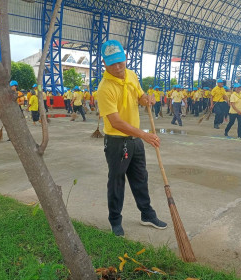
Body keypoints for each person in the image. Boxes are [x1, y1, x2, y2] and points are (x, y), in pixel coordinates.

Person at [97, 40, 167, 237]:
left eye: (121, 61)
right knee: (117, 181)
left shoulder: (132, 75)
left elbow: (140, 97)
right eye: (113, 63)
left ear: (125, 58)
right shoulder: (104, 88)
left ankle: (147, 214)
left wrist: (147, 99)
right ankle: (115, 221)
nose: (118, 67)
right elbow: (116, 122)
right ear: (104, 63)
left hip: (135, 139)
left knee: (140, 178)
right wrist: (144, 135)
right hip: (117, 141)